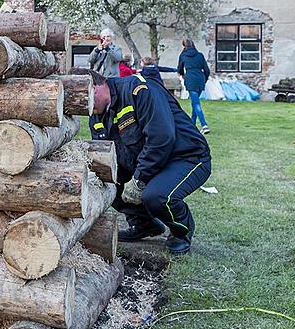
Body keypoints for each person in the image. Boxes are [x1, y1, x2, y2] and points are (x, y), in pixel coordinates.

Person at [89, 68, 211, 254]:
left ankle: (181, 231)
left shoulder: (138, 90)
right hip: (148, 162)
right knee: (105, 181)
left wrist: (140, 179)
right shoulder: (96, 113)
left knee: (156, 196)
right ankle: (144, 225)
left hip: (186, 157)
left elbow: (161, 137)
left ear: (95, 88)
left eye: (86, 98)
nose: (86, 107)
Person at [177, 38, 211, 134]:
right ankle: (192, 124)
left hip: (190, 79)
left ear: (184, 46)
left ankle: (204, 125)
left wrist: (183, 75)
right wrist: (204, 79)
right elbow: (207, 70)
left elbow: (179, 69)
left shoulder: (183, 56)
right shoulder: (200, 55)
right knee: (194, 102)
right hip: (200, 79)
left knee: (196, 104)